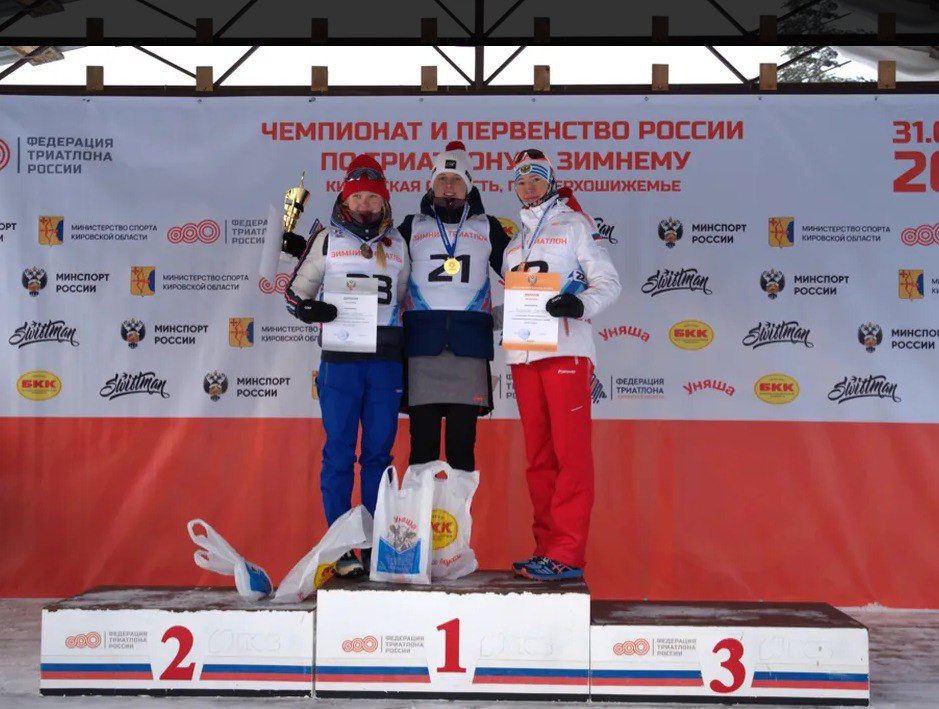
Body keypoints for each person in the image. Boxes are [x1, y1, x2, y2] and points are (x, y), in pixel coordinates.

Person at [285, 155, 409, 577]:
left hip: (385, 363)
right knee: (338, 454)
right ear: (345, 198)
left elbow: (405, 298)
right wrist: (309, 310)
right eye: (358, 197)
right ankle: (340, 547)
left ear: (384, 201)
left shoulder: (398, 243)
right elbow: (294, 293)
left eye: (373, 198)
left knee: (379, 456)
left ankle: (375, 544)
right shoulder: (327, 239)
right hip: (340, 363)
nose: (365, 205)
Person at [502, 148, 621, 581]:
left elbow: (609, 282)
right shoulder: (514, 242)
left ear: (551, 182)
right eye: (521, 181)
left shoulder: (575, 224)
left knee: (571, 456)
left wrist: (579, 304)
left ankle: (567, 554)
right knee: (539, 458)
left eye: (536, 178)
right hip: (524, 355)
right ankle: (546, 549)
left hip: (566, 352)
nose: (528, 187)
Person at [397, 141, 510, 471]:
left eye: (456, 179)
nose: (449, 186)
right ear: (431, 186)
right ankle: (418, 508)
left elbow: (522, 273)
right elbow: (379, 263)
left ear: (469, 185)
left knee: (462, 450)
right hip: (422, 349)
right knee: (422, 450)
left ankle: (460, 508)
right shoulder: (412, 226)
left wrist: (500, 318)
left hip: (469, 349)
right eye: (442, 179)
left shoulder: (487, 226)